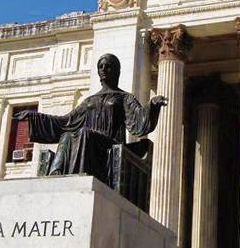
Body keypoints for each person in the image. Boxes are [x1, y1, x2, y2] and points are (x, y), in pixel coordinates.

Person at [15, 53, 167, 183]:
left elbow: (137, 121)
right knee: (68, 134)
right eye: (100, 66)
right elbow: (66, 121)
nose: (104, 70)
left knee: (83, 133)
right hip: (88, 141)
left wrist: (152, 105)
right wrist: (34, 116)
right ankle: (57, 174)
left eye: (108, 66)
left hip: (109, 145)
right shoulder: (90, 100)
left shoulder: (125, 97)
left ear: (116, 71)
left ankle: (77, 177)